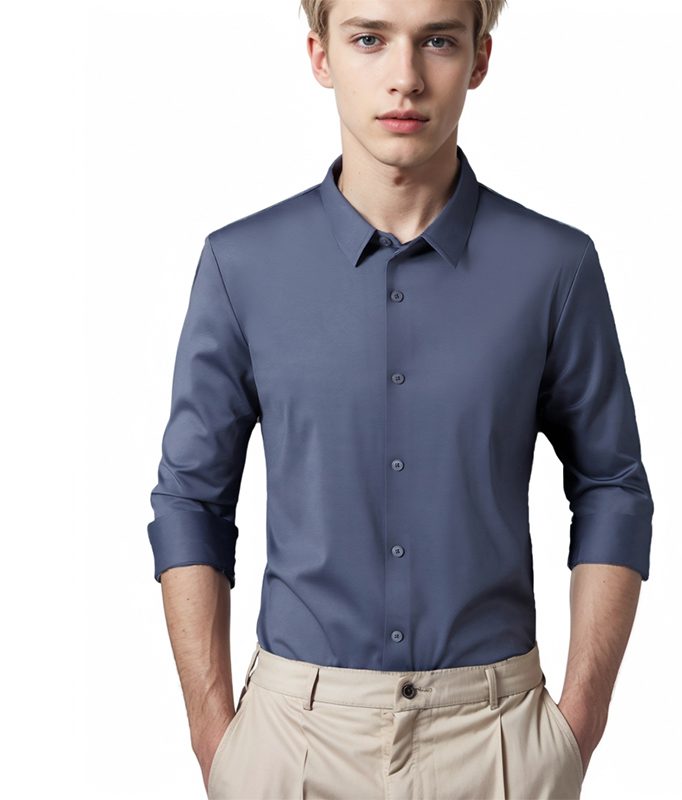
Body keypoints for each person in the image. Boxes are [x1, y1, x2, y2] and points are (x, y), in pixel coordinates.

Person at [146, 1, 655, 798]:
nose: (405, 78)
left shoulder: (555, 269)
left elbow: (613, 487)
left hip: (496, 741)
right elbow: (190, 499)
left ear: (479, 59)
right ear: (321, 56)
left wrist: (576, 725)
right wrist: (216, 737)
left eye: (438, 41)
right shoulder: (240, 266)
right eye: (370, 39)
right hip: (292, 741)